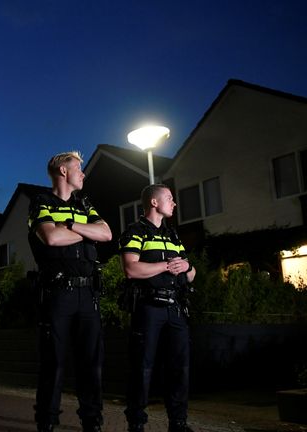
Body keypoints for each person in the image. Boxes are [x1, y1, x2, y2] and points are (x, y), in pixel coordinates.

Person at [28, 151, 112, 432]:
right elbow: (51, 237)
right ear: (63, 171)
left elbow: (107, 234)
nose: (84, 173)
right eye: (79, 168)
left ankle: (92, 423)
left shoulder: (84, 203)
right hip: (57, 294)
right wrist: (88, 231)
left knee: (92, 364)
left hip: (88, 296)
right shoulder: (41, 202)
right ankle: (47, 423)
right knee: (54, 363)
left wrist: (71, 225)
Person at [118, 184, 197, 432]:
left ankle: (178, 423)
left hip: (175, 309)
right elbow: (131, 269)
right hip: (149, 308)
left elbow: (192, 273)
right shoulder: (135, 231)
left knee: (179, 369)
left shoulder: (173, 236)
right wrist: (165, 266)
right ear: (154, 202)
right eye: (170, 198)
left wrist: (185, 268)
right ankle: (137, 424)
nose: (174, 203)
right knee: (143, 368)